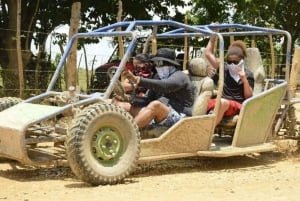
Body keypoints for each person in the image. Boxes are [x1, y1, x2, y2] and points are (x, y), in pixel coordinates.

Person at [121, 48, 194, 129]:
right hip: (159, 114)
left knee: (156, 105)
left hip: (180, 117)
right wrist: (129, 99)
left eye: (160, 63)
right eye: (156, 63)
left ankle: (126, 133)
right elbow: (148, 99)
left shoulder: (180, 76)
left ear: (170, 64)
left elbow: (165, 86)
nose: (158, 66)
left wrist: (137, 79)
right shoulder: (158, 77)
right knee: (122, 104)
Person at [205, 37, 254, 125]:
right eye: (229, 61)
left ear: (241, 60)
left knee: (222, 102)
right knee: (202, 101)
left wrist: (244, 80)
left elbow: (248, 96)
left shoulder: (247, 74)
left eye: (235, 62)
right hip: (221, 102)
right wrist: (212, 38)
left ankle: (207, 130)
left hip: (237, 104)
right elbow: (208, 54)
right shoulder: (224, 70)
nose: (232, 64)